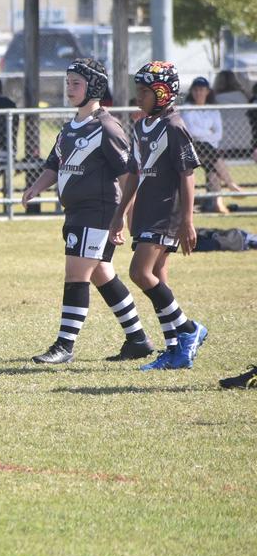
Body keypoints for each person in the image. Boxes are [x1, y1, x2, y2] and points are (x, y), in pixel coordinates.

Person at [22, 59, 152, 364]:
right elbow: (54, 164)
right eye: (67, 83)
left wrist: (121, 217)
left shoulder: (107, 126)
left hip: (99, 213)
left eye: (76, 83)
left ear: (94, 86)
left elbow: (129, 174)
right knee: (101, 275)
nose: (69, 89)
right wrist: (35, 188)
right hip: (76, 214)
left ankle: (64, 346)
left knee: (76, 274)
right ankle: (138, 340)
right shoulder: (69, 127)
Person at [110, 61, 210, 371]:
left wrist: (187, 220)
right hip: (146, 210)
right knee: (158, 274)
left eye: (144, 92)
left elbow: (187, 175)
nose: (138, 97)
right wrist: (120, 213)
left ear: (163, 94)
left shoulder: (174, 126)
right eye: (137, 90)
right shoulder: (141, 126)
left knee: (140, 273)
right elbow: (135, 172)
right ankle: (174, 350)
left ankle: (189, 329)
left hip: (167, 212)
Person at [182, 77, 241, 215]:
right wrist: (208, 133)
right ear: (192, 91)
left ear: (208, 91)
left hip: (208, 150)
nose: (198, 93)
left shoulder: (213, 110)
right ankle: (229, 184)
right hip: (191, 148)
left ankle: (216, 203)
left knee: (212, 167)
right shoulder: (187, 108)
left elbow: (218, 134)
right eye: (195, 90)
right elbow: (191, 131)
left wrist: (205, 135)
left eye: (201, 90)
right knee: (205, 149)